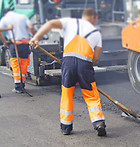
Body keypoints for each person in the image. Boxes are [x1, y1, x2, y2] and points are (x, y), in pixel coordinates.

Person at [30, 8, 106, 136]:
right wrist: (85, 65)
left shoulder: (70, 22)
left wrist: (36, 37)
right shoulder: (96, 33)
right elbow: (96, 57)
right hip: (85, 64)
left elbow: (50, 24)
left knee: (67, 93)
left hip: (68, 62)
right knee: (91, 94)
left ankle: (66, 127)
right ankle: (98, 122)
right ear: (93, 18)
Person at [0, 8, 36, 93]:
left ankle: (18, 86)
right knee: (24, 63)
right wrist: (35, 38)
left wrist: (4, 42)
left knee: (16, 64)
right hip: (25, 44)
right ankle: (23, 84)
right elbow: (31, 27)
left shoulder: (5, 19)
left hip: (14, 44)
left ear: (5, 13)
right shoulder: (22, 17)